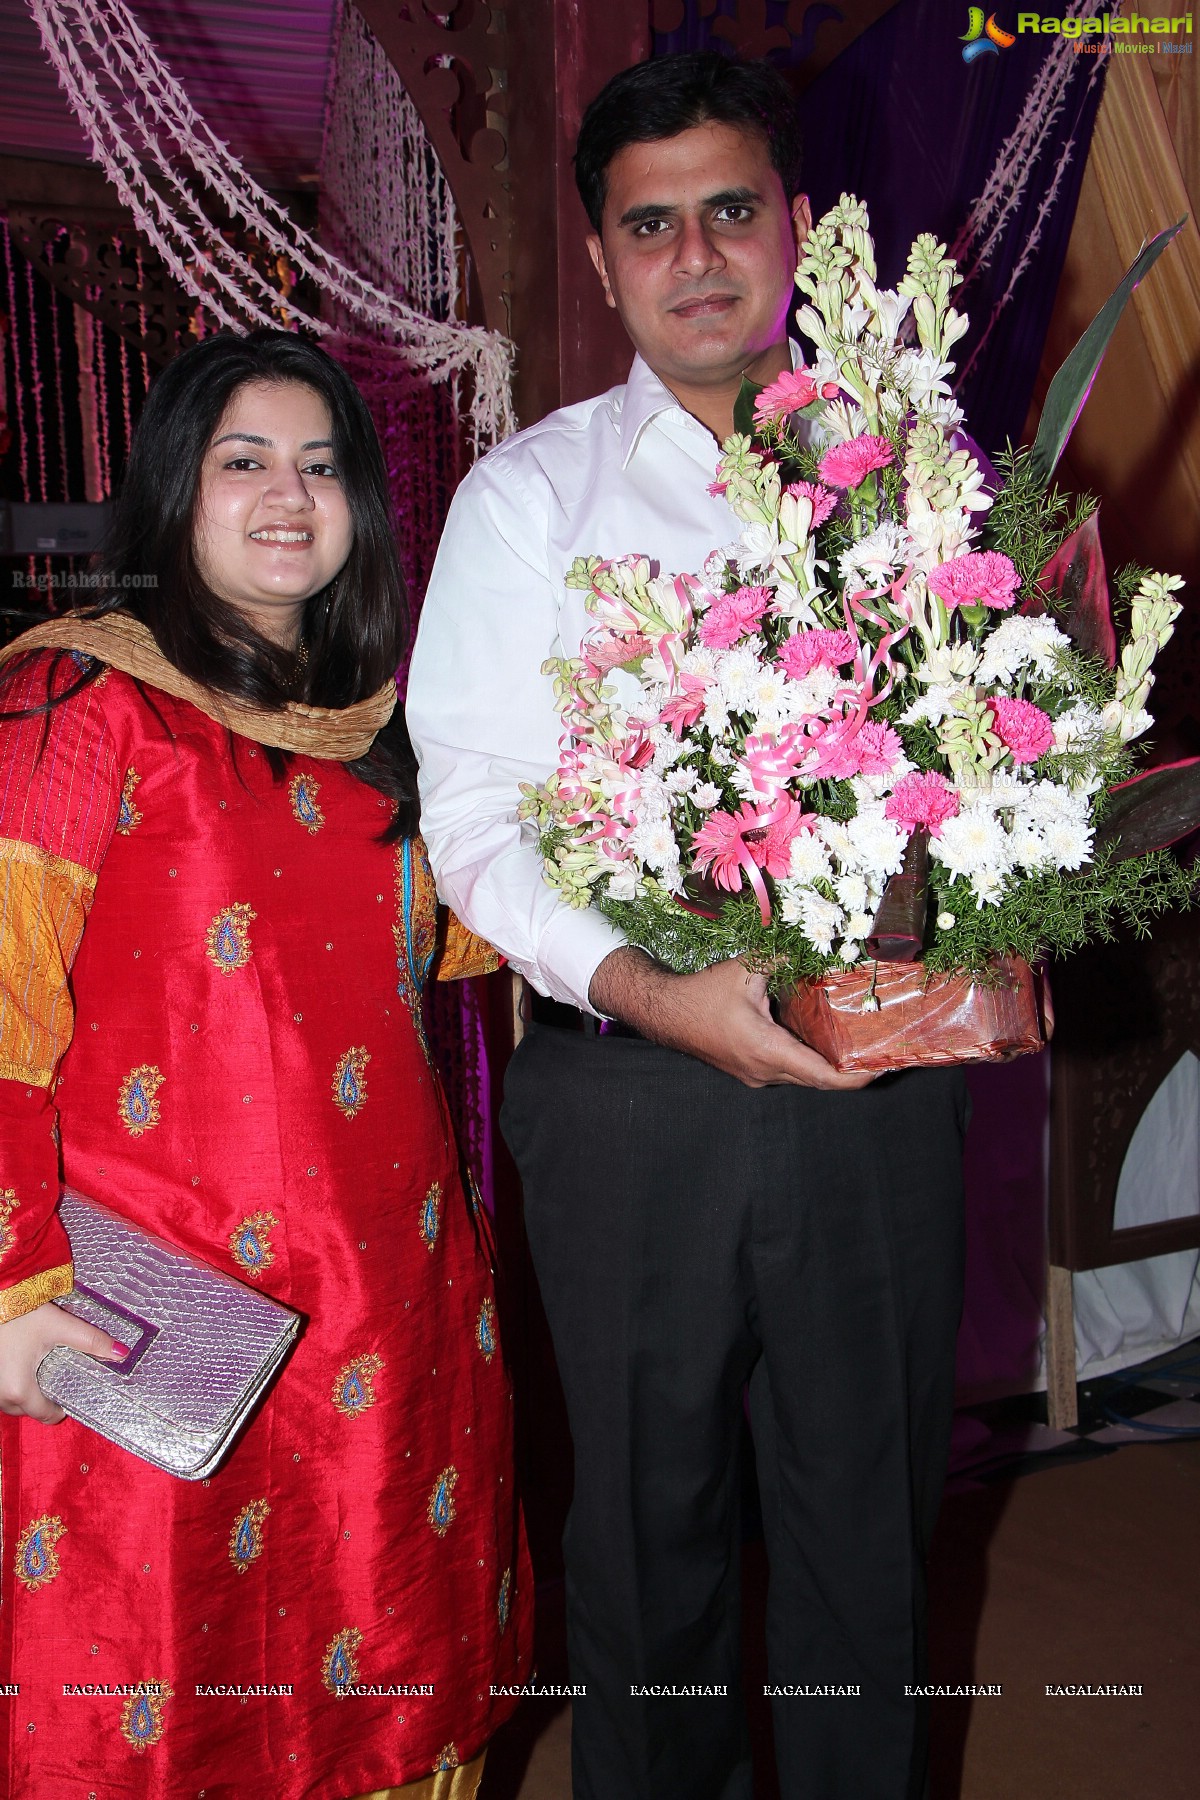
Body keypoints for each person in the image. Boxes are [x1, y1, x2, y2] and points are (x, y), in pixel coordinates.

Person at [407, 52, 969, 1800]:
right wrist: (657, 990)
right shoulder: (531, 503)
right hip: (630, 1098)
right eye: (652, 225)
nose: (699, 254)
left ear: (794, 226)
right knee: (647, 1539)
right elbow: (475, 827)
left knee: (866, 1524)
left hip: (881, 1072)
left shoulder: (921, 478)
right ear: (601, 261)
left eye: (733, 209)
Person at [0, 329, 531, 1799]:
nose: (287, 496)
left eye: (320, 466)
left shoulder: (391, 738)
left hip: (388, 1289)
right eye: (243, 462)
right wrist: (8, 1297)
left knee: (380, 1651)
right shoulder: (74, 709)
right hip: (153, 1307)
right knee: (160, 1682)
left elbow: (479, 942)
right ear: (176, 490)